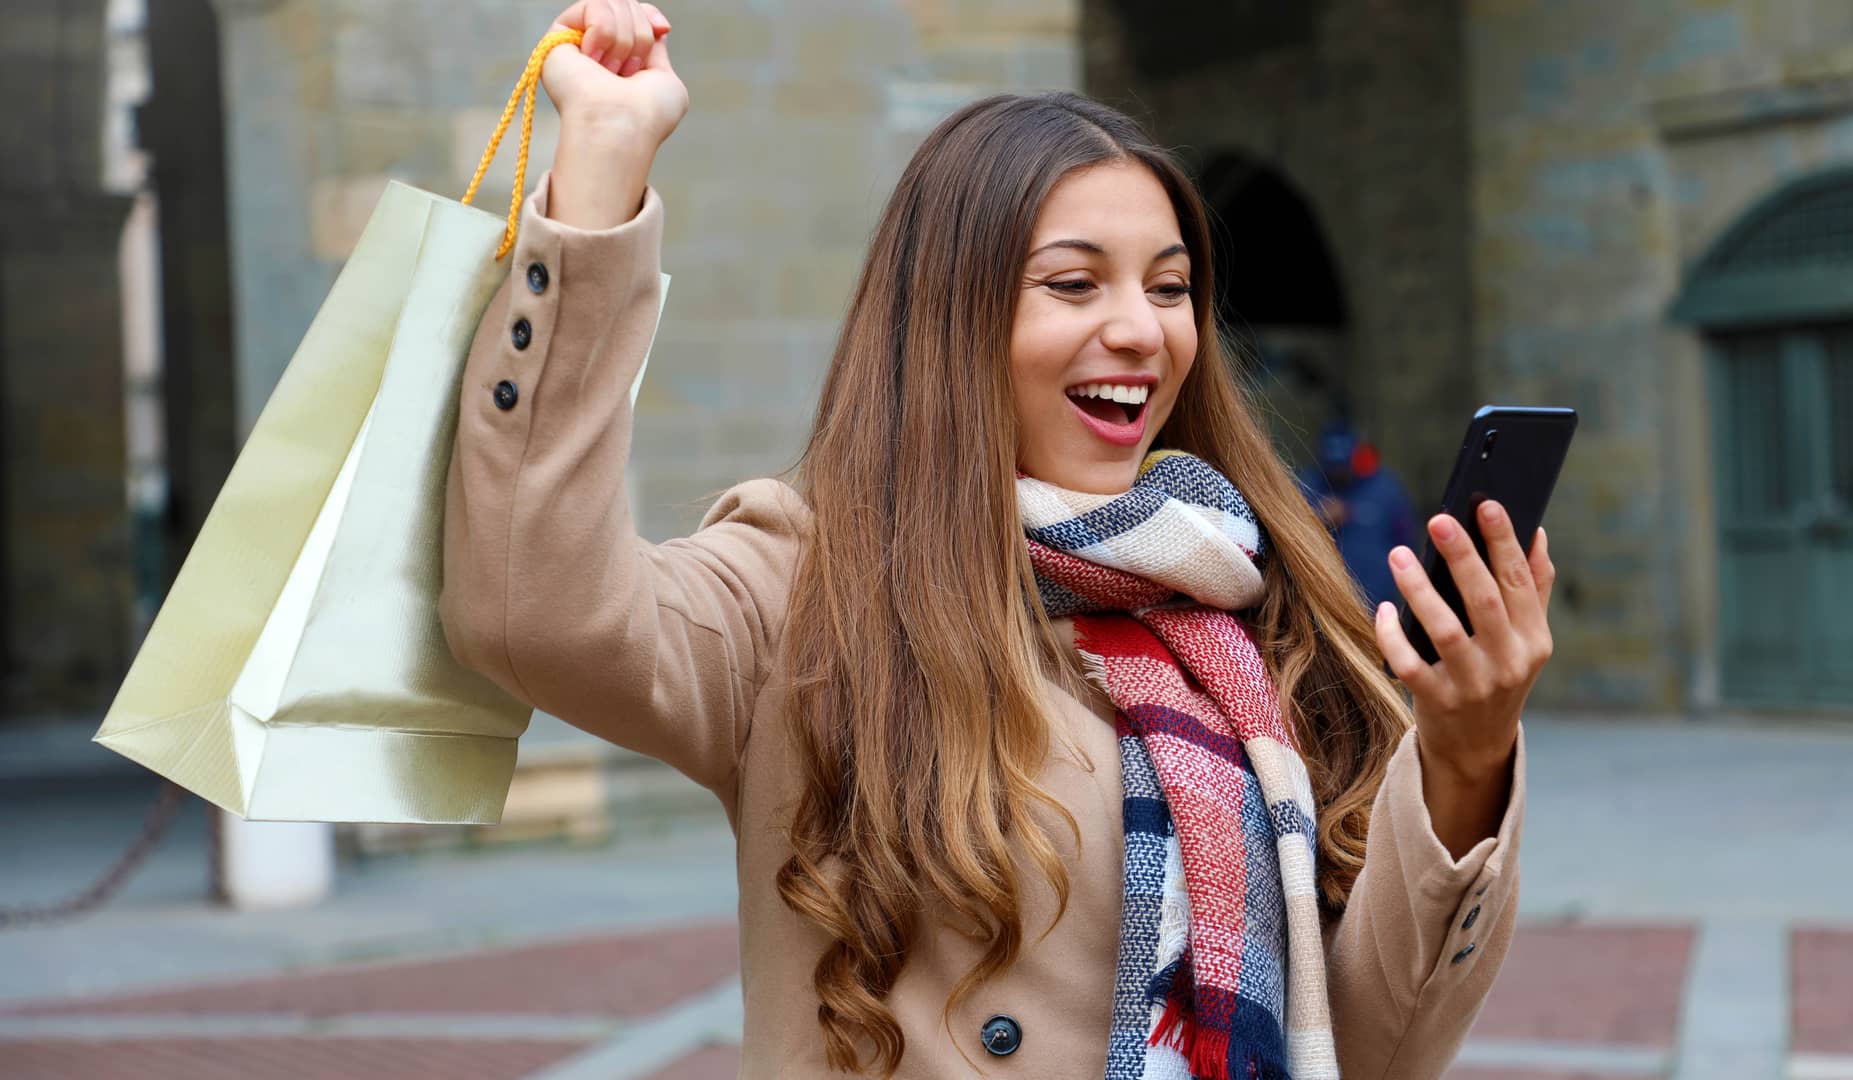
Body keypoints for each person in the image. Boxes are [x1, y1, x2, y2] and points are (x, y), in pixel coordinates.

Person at [440, 3, 1557, 1076]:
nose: (1139, 327)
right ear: (952, 317)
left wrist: (1463, 755)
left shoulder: (1252, 602)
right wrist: (595, 182)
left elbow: (1373, 1054)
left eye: (1170, 287)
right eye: (1074, 283)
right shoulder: (810, 587)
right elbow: (527, 610)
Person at [1300, 422, 1422, 611]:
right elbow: (1288, 543)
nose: (1339, 472)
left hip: (1381, 606)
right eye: (1333, 466)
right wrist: (1318, 520)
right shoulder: (1307, 488)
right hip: (1326, 608)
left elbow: (1408, 542)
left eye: (1344, 464)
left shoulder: (1385, 490)